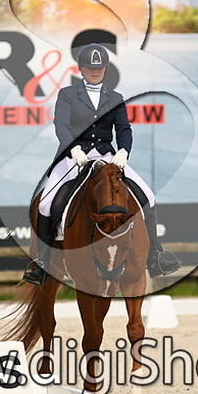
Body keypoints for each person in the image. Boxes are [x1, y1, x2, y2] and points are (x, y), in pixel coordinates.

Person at [22, 43, 181, 285]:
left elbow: (124, 128)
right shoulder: (68, 95)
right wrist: (73, 148)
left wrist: (124, 150)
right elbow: (61, 125)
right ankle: (42, 263)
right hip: (74, 157)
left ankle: (155, 255)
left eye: (99, 67)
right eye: (90, 67)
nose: (95, 71)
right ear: (81, 69)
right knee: (45, 203)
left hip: (107, 156)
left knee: (148, 195)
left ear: (105, 69)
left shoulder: (115, 98)